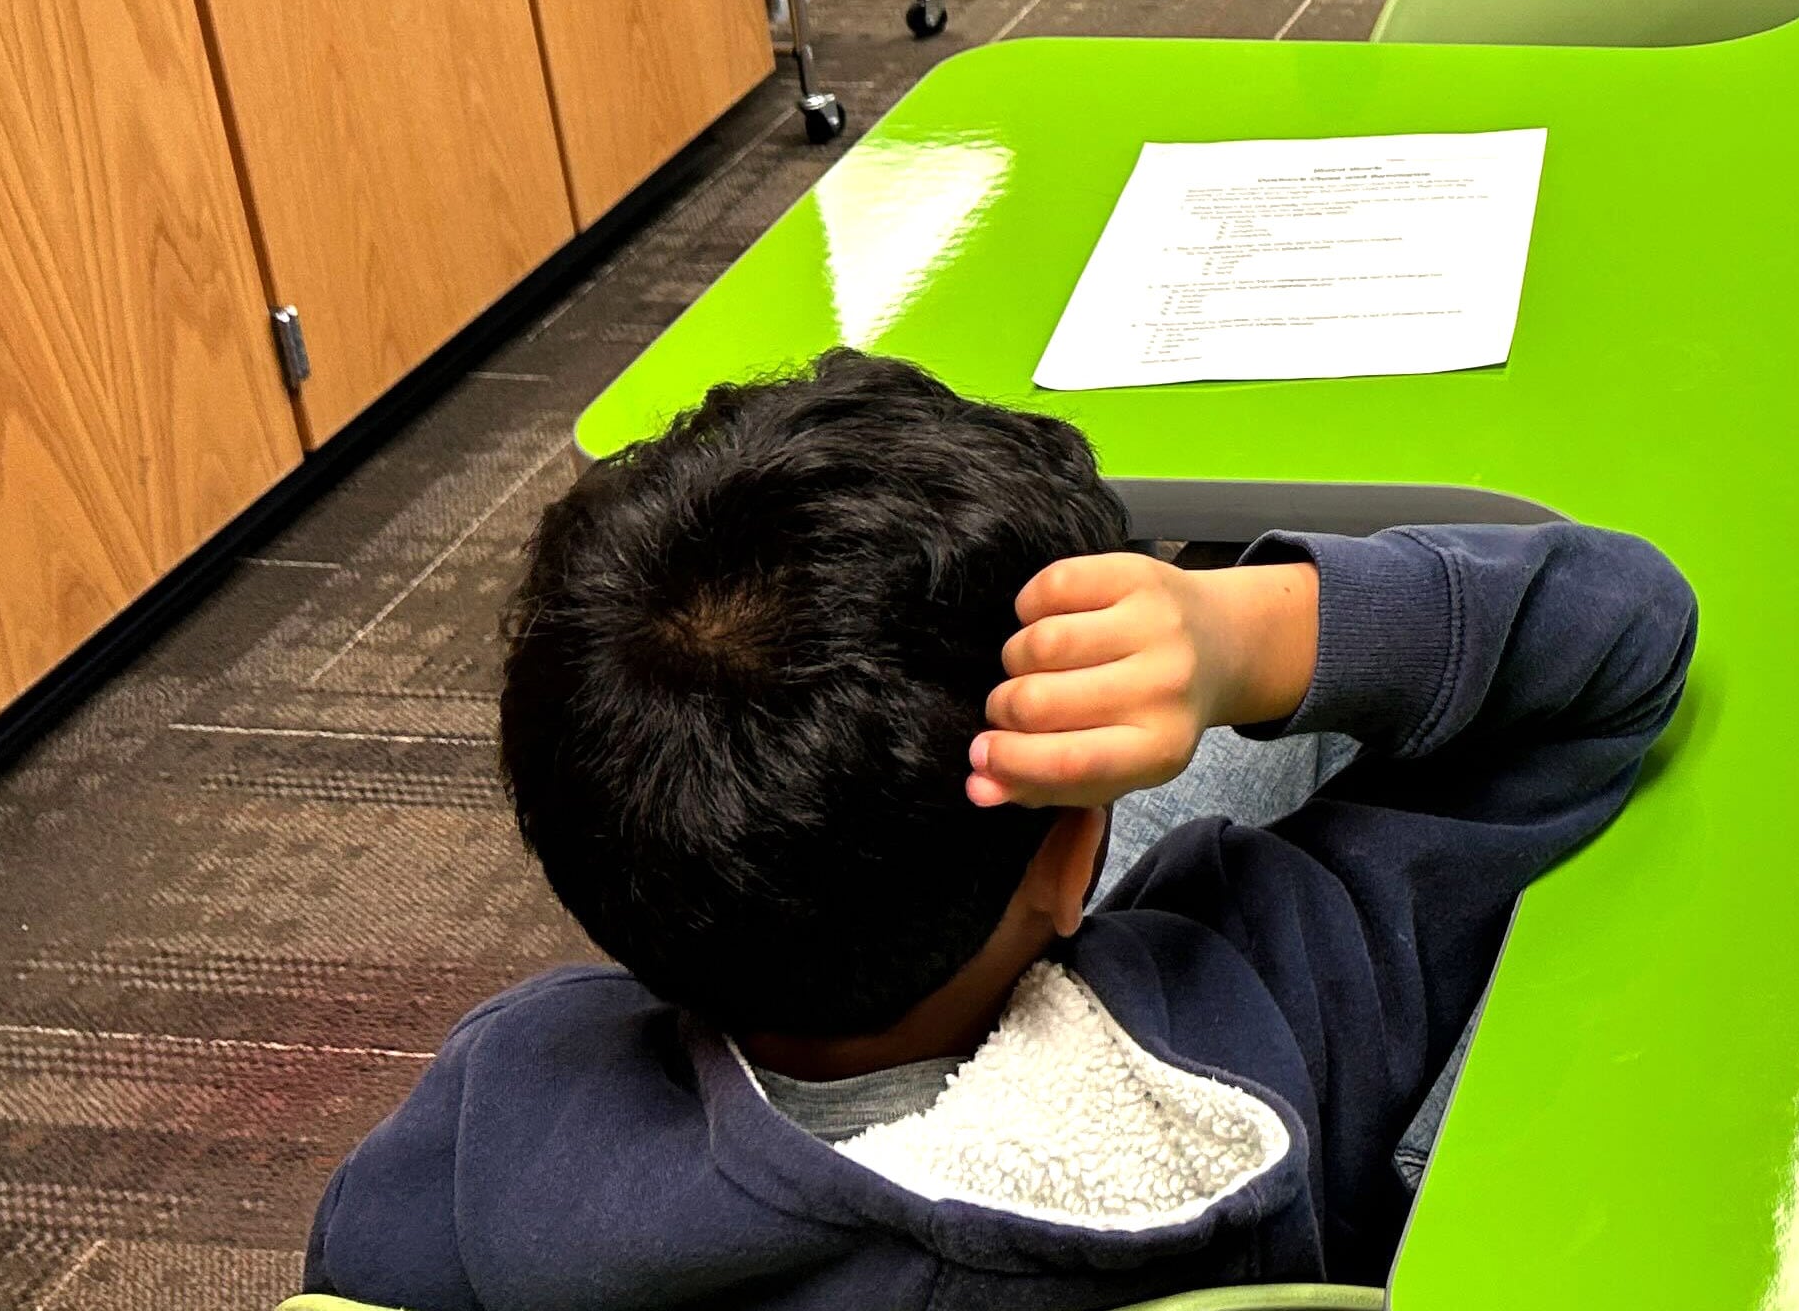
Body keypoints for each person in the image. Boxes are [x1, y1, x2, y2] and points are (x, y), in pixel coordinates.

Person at [304, 353, 1698, 1308]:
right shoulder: (1272, 1016)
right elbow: (1618, 644)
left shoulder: (497, 1119)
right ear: (1078, 853)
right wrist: (1244, 633)